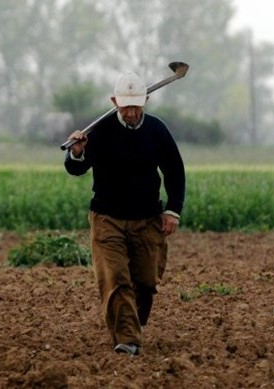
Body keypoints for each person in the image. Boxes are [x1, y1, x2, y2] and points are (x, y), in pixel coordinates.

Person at [64, 71, 186, 356]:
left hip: (147, 219)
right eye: (125, 106)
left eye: (136, 106)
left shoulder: (157, 131)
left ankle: (131, 326)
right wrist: (77, 152)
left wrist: (172, 210)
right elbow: (75, 168)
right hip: (108, 218)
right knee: (116, 279)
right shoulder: (99, 132)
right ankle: (128, 339)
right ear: (114, 101)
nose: (131, 113)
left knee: (145, 283)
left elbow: (175, 172)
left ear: (145, 101)